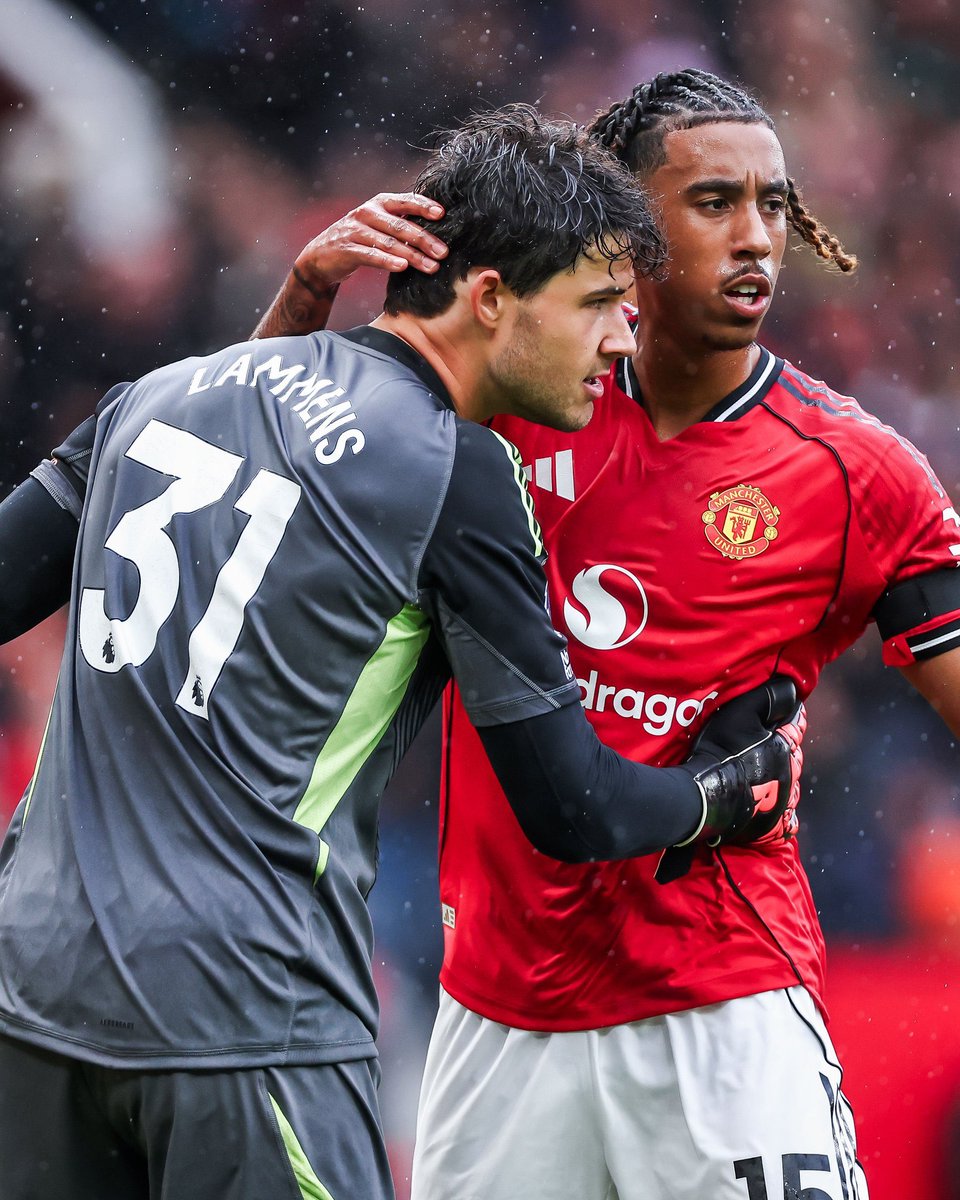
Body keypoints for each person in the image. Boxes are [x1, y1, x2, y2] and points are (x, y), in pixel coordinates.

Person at [0, 105, 801, 1200]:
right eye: (598, 303)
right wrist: (727, 794)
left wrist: (292, 313)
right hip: (245, 1018)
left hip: (31, 999)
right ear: (488, 298)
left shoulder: (159, 395)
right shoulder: (458, 472)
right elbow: (571, 807)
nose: (622, 340)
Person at [241, 71, 960, 1200]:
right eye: (714, 202)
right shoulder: (506, 402)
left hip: (723, 1003)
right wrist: (301, 300)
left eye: (773, 204)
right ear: (625, 223)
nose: (756, 237)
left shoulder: (858, 471)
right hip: (499, 1013)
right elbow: (251, 473)